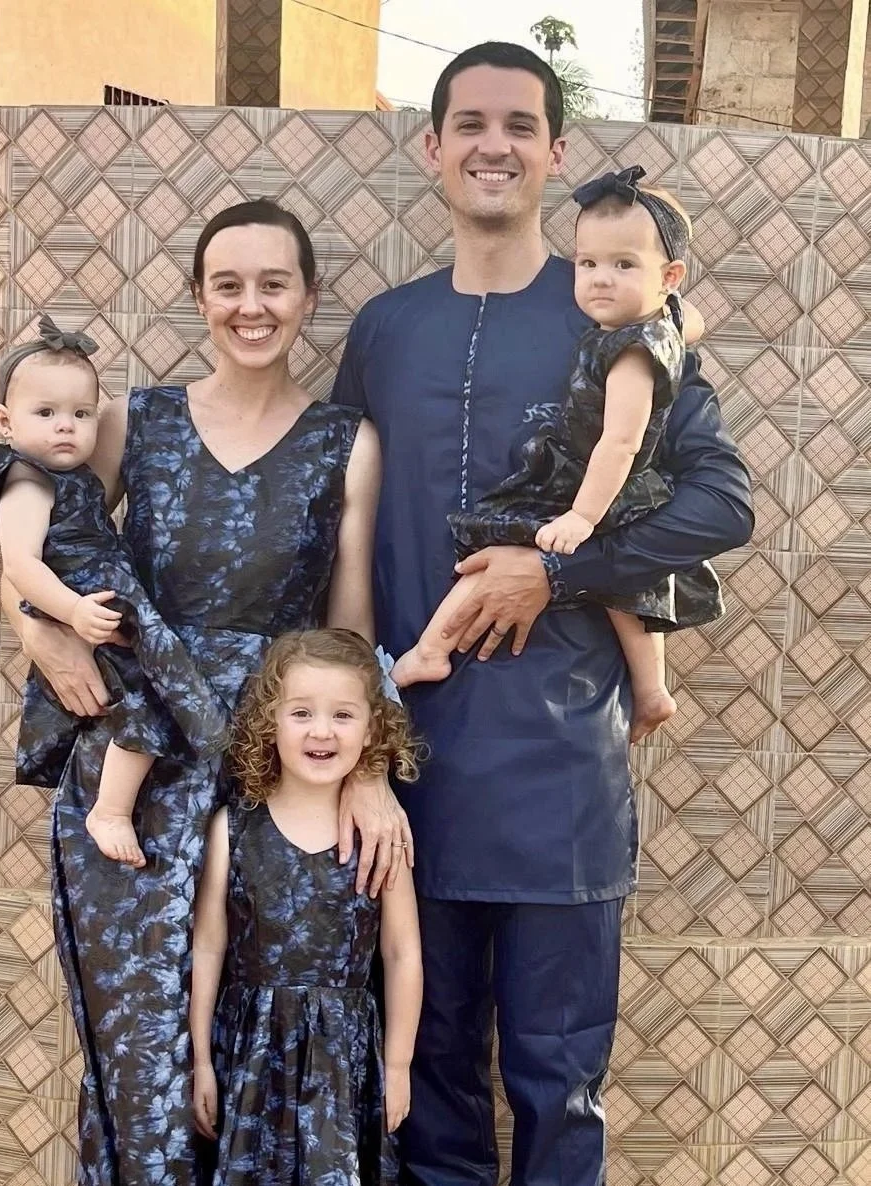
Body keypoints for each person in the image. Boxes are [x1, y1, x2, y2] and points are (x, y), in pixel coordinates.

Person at [332, 42, 753, 1186]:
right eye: (469, 122)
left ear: (555, 152)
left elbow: (723, 502)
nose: (493, 144)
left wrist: (554, 575)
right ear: (431, 149)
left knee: (558, 1083)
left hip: (561, 766)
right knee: (428, 1079)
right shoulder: (384, 329)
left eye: (520, 124)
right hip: (407, 764)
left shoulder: (615, 316)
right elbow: (338, 522)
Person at [0, 200, 412, 1186]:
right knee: (141, 1054)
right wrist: (37, 628)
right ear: (198, 296)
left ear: (308, 297)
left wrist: (373, 774)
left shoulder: (344, 440)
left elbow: (350, 634)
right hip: (134, 773)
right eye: (228, 284)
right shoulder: (126, 419)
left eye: (274, 283)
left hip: (276, 779)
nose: (251, 304)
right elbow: (36, 544)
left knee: (264, 1045)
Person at [391, 166, 723, 744]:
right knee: (630, 593)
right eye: (588, 264)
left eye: (623, 265)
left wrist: (581, 516)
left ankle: (429, 649)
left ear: (669, 276)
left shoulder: (629, 352)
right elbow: (689, 318)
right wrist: (672, 311)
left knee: (494, 547)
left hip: (596, 487)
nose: (599, 280)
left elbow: (618, 442)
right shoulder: (656, 324)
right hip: (623, 488)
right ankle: (653, 690)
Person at [0, 314, 227, 868]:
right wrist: (71, 612)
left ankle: (196, 755)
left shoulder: (69, 475)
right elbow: (20, 563)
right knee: (146, 703)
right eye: (45, 414)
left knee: (160, 695)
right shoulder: (26, 480)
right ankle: (110, 811)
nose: (65, 427)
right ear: (5, 420)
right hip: (81, 606)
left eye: (79, 414)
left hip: (104, 599)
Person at [191, 629, 423, 1184]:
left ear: (372, 731)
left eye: (343, 715)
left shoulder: (380, 838)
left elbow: (402, 951)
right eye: (301, 712)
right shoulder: (232, 830)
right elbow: (208, 945)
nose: (322, 730)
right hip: (249, 1053)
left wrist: (398, 1063)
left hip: (344, 1063)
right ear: (270, 721)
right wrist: (200, 1058)